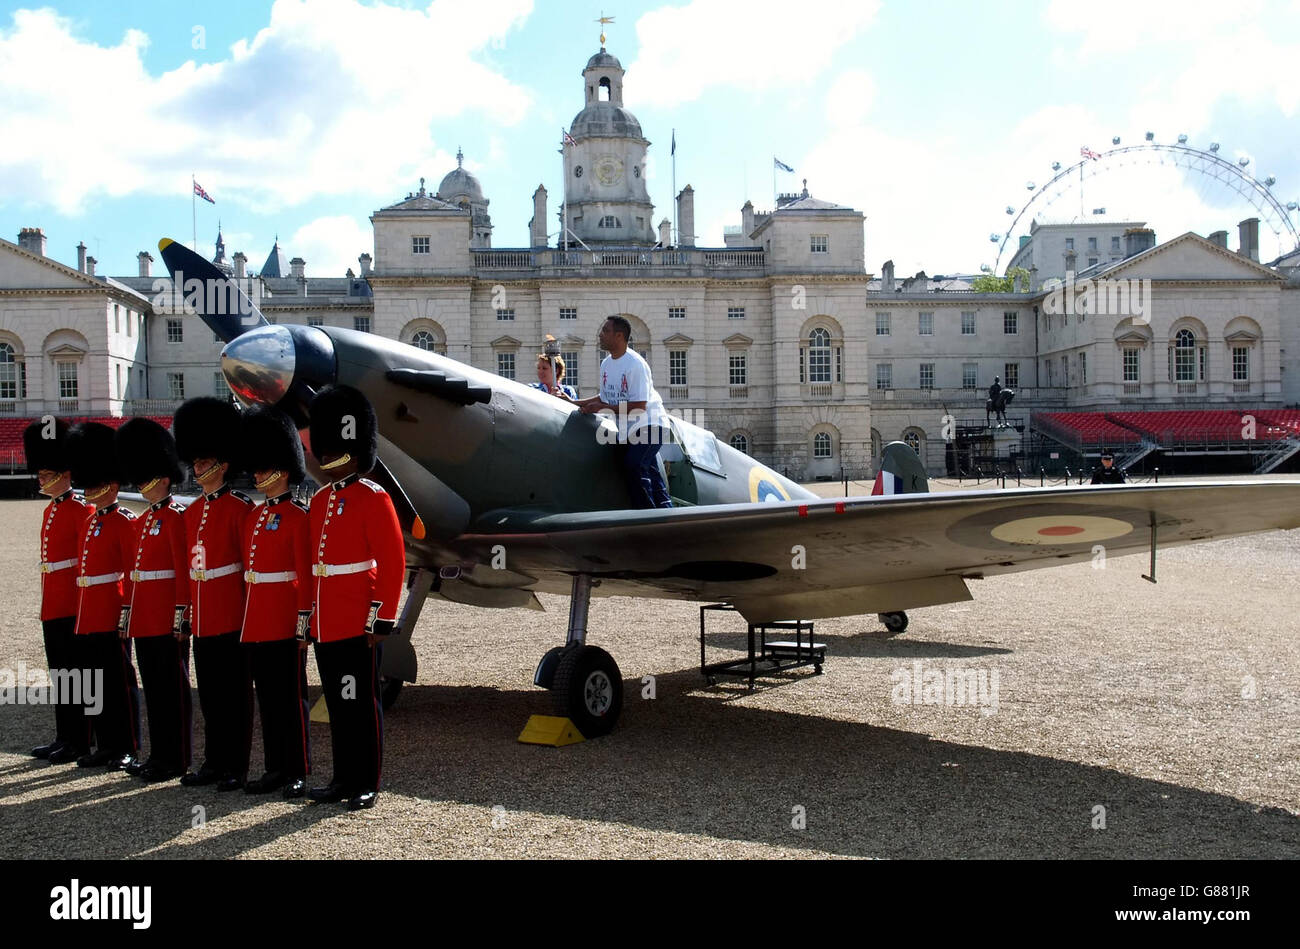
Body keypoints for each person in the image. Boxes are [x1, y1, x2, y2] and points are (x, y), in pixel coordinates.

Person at [305, 385, 406, 812]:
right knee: (337, 705)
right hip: (327, 621)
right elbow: (314, 565)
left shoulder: (373, 496)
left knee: (360, 704)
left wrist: (381, 616)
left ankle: (367, 780)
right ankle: (341, 777)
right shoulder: (320, 500)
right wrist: (310, 617)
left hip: (355, 621)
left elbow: (392, 560)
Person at [174, 397, 254, 791]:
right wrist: (186, 613)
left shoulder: (240, 509)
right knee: (210, 695)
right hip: (203, 616)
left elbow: (248, 569)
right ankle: (213, 760)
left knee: (235, 697)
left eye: (204, 464)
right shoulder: (191, 512)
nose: (197, 469)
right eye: (196, 463)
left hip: (231, 615)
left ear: (222, 466)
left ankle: (235, 766)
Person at [239, 405, 313, 799]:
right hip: (258, 621)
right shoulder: (253, 517)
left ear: (282, 470)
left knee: (290, 699)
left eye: (263, 467)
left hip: (285, 620)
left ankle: (297, 768)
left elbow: (304, 576)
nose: (256, 474)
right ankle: (274, 767)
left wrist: (303, 625)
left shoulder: (299, 517)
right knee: (268, 700)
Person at [115, 418, 193, 783]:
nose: (141, 484)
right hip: (146, 618)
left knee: (171, 692)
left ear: (163, 478)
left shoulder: (177, 518)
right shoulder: (145, 521)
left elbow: (182, 572)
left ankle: (175, 758)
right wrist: (129, 614)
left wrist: (181, 616)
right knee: (155, 692)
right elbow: (135, 574)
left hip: (166, 618)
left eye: (147, 477)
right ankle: (159, 755)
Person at [66, 422, 141, 770]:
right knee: (93, 680)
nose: (89, 490)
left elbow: (131, 573)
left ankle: (126, 745)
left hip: (111, 609)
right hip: (89, 611)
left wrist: (126, 612)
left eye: (95, 484)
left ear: (111, 485)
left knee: (118, 682)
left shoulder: (124, 521)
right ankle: (105, 742)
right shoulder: (90, 522)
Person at [25, 418, 93, 764]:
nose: (41, 478)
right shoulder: (51, 510)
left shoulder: (83, 510)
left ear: (65, 474)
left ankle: (79, 738)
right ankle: (64, 735)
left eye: (46, 472)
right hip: (53, 603)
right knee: (61, 673)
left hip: (72, 604)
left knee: (77, 674)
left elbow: (85, 563)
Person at [569, 317, 673, 509]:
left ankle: (646, 517)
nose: (600, 334)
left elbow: (639, 406)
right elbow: (604, 398)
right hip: (629, 429)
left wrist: (602, 408)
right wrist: (572, 402)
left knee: (634, 464)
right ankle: (667, 516)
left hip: (651, 425)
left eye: (605, 330)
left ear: (619, 336)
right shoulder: (606, 364)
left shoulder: (635, 365)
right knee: (648, 472)